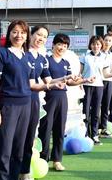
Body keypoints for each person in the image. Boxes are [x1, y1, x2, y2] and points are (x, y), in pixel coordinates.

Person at [0, 20, 43, 180]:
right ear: (9, 34)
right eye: (15, 32)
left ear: (26, 36)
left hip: (26, 105)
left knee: (19, 150)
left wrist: (53, 84)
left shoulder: (26, 56)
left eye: (22, 32)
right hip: (7, 107)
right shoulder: (1, 54)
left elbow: (31, 84)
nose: (18, 35)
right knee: (5, 150)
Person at [38, 33, 88, 171]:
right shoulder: (46, 60)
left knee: (60, 129)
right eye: (59, 44)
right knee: (45, 129)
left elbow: (70, 82)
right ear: (53, 44)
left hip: (62, 98)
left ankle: (57, 160)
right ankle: (43, 159)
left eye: (65, 45)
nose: (62, 47)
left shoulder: (66, 63)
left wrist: (84, 80)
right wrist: (65, 78)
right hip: (49, 98)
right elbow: (47, 81)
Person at [18, 25, 51, 180]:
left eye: (44, 37)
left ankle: (24, 175)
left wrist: (71, 79)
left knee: (30, 139)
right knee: (20, 139)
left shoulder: (42, 58)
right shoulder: (23, 55)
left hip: (34, 101)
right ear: (31, 35)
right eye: (39, 34)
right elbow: (31, 84)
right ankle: (17, 175)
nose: (41, 39)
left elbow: (49, 81)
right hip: (21, 101)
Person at [80, 36, 107, 144]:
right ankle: (85, 134)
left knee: (96, 112)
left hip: (99, 86)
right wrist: (80, 83)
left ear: (101, 45)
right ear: (90, 45)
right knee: (85, 111)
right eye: (93, 44)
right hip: (86, 85)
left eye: (98, 44)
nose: (96, 46)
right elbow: (80, 72)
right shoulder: (84, 56)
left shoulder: (104, 57)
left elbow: (106, 74)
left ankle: (94, 135)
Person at [100, 32, 112, 138]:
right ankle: (94, 129)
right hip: (98, 82)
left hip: (109, 81)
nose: (107, 42)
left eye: (109, 41)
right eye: (105, 40)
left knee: (106, 105)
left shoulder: (111, 56)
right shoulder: (97, 53)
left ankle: (104, 128)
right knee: (97, 106)